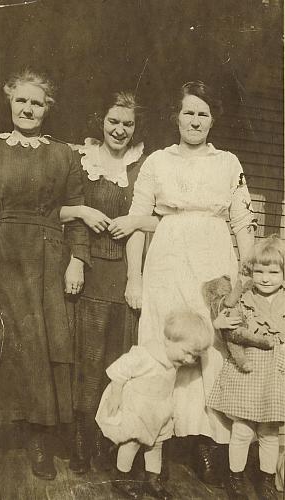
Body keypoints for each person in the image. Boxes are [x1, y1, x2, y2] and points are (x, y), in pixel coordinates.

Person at [125, 81, 257, 484]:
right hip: (166, 260)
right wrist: (134, 277)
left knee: (215, 350)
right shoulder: (157, 162)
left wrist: (245, 280)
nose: (195, 120)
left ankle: (210, 447)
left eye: (202, 113)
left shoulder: (228, 162)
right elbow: (135, 221)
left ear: (212, 119)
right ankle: (154, 447)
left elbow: (243, 224)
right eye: (188, 112)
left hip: (214, 263)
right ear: (175, 116)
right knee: (162, 346)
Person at [0, 69, 90, 480]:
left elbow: (78, 210)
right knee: (2, 342)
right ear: (10, 102)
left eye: (37, 103)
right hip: (1, 254)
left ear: (47, 108)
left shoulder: (63, 154)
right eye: (21, 101)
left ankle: (38, 441)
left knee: (41, 350)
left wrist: (78, 259)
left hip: (48, 259)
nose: (28, 109)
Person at [60, 90, 159, 474]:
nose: (120, 130)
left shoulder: (144, 165)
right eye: (113, 121)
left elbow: (159, 219)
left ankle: (110, 442)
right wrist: (78, 260)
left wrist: (133, 224)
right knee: (89, 358)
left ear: (136, 128)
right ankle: (82, 443)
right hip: (90, 271)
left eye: (128, 124)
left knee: (120, 360)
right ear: (100, 120)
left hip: (127, 275)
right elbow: (67, 213)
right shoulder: (82, 160)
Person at [96, 307, 213, 500]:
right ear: (169, 339)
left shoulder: (174, 361)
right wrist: (116, 395)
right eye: (187, 353)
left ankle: (153, 480)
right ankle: (122, 479)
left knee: (156, 445)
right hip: (137, 408)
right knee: (131, 443)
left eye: (194, 356)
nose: (189, 360)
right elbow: (119, 370)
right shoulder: (145, 355)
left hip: (158, 410)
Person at [208, 235, 285, 500]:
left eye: (273, 272)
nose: (265, 278)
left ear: (283, 275)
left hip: (276, 374)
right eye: (259, 271)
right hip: (247, 371)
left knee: (269, 431)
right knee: (242, 428)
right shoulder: (243, 299)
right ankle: (235, 477)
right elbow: (228, 331)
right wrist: (219, 323)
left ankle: (266, 479)